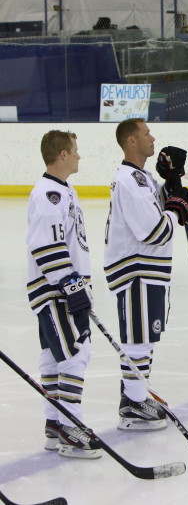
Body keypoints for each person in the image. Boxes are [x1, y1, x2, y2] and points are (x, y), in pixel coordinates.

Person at [105, 119, 188, 431]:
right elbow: (154, 231)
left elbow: (162, 210)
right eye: (146, 133)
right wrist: (175, 208)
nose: (152, 137)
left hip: (146, 270)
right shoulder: (130, 180)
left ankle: (137, 393)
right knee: (138, 340)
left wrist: (170, 184)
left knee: (145, 338)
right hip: (136, 270)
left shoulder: (140, 177)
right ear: (131, 141)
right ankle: (132, 404)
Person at [27, 130, 100, 459]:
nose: (79, 156)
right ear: (62, 155)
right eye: (75, 150)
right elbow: (45, 245)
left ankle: (55, 424)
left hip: (61, 287)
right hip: (57, 288)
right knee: (75, 352)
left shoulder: (61, 190)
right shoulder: (49, 194)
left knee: (54, 355)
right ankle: (71, 428)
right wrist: (71, 284)